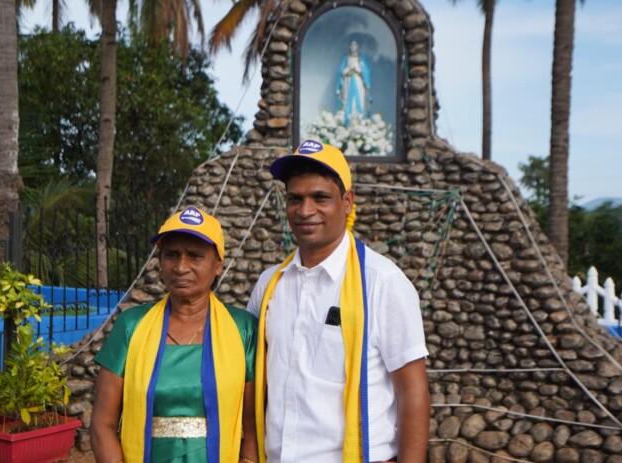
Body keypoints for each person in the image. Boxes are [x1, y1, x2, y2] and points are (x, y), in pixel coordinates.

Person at [247, 140, 430, 463]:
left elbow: (412, 390)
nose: (305, 211)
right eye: (295, 199)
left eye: (320, 198)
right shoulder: (269, 285)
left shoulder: (382, 282)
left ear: (347, 202)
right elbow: (252, 382)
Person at [91, 207, 258, 463]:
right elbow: (102, 424)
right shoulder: (131, 326)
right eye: (171, 255)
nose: (181, 267)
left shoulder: (243, 329)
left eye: (195, 256)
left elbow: (253, 427)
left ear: (218, 265)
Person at [336, 40, 372, 127]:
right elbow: (340, 71)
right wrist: (347, 70)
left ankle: (359, 119)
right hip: (348, 81)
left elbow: (366, 72)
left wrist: (358, 70)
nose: (353, 47)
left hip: (358, 82)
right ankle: (347, 121)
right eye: (351, 45)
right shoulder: (346, 58)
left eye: (355, 45)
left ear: (358, 47)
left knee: (358, 99)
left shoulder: (361, 59)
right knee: (346, 99)